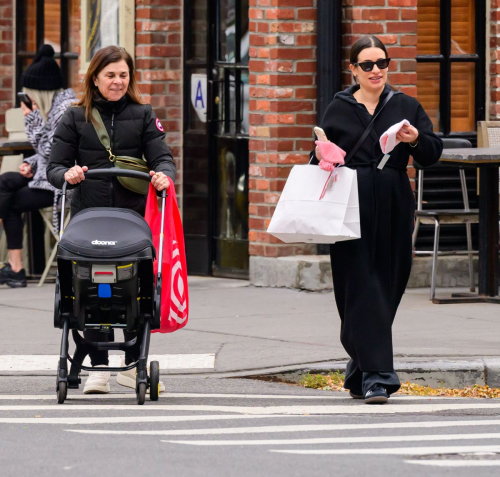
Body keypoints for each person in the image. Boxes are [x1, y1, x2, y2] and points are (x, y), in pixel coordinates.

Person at [312, 36, 443, 404]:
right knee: (359, 284)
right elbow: (318, 158)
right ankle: (378, 378)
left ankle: (359, 369)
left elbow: (432, 153)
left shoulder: (405, 105)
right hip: (350, 204)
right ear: (353, 69)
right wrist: (324, 154)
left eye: (382, 63)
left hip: (394, 203)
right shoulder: (338, 109)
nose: (375, 71)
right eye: (367, 64)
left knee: (388, 284)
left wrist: (416, 139)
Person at [47, 46, 176, 395]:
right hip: (88, 216)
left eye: (123, 75)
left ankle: (133, 364)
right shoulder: (75, 117)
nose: (117, 82)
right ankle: (98, 369)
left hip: (132, 219)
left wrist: (163, 175)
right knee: (91, 290)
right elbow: (54, 168)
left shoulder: (144, 114)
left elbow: (162, 157)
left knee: (136, 290)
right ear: (95, 78)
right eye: (110, 75)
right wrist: (68, 174)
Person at [0, 45, 75, 288]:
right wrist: (29, 163)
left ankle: (16, 269)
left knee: (8, 200)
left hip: (61, 182)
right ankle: (15, 268)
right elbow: (45, 152)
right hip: (45, 174)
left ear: (40, 92)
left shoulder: (66, 110)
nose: (27, 99)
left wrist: (30, 119)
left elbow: (57, 153)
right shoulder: (52, 108)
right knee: (4, 183)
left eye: (29, 94)